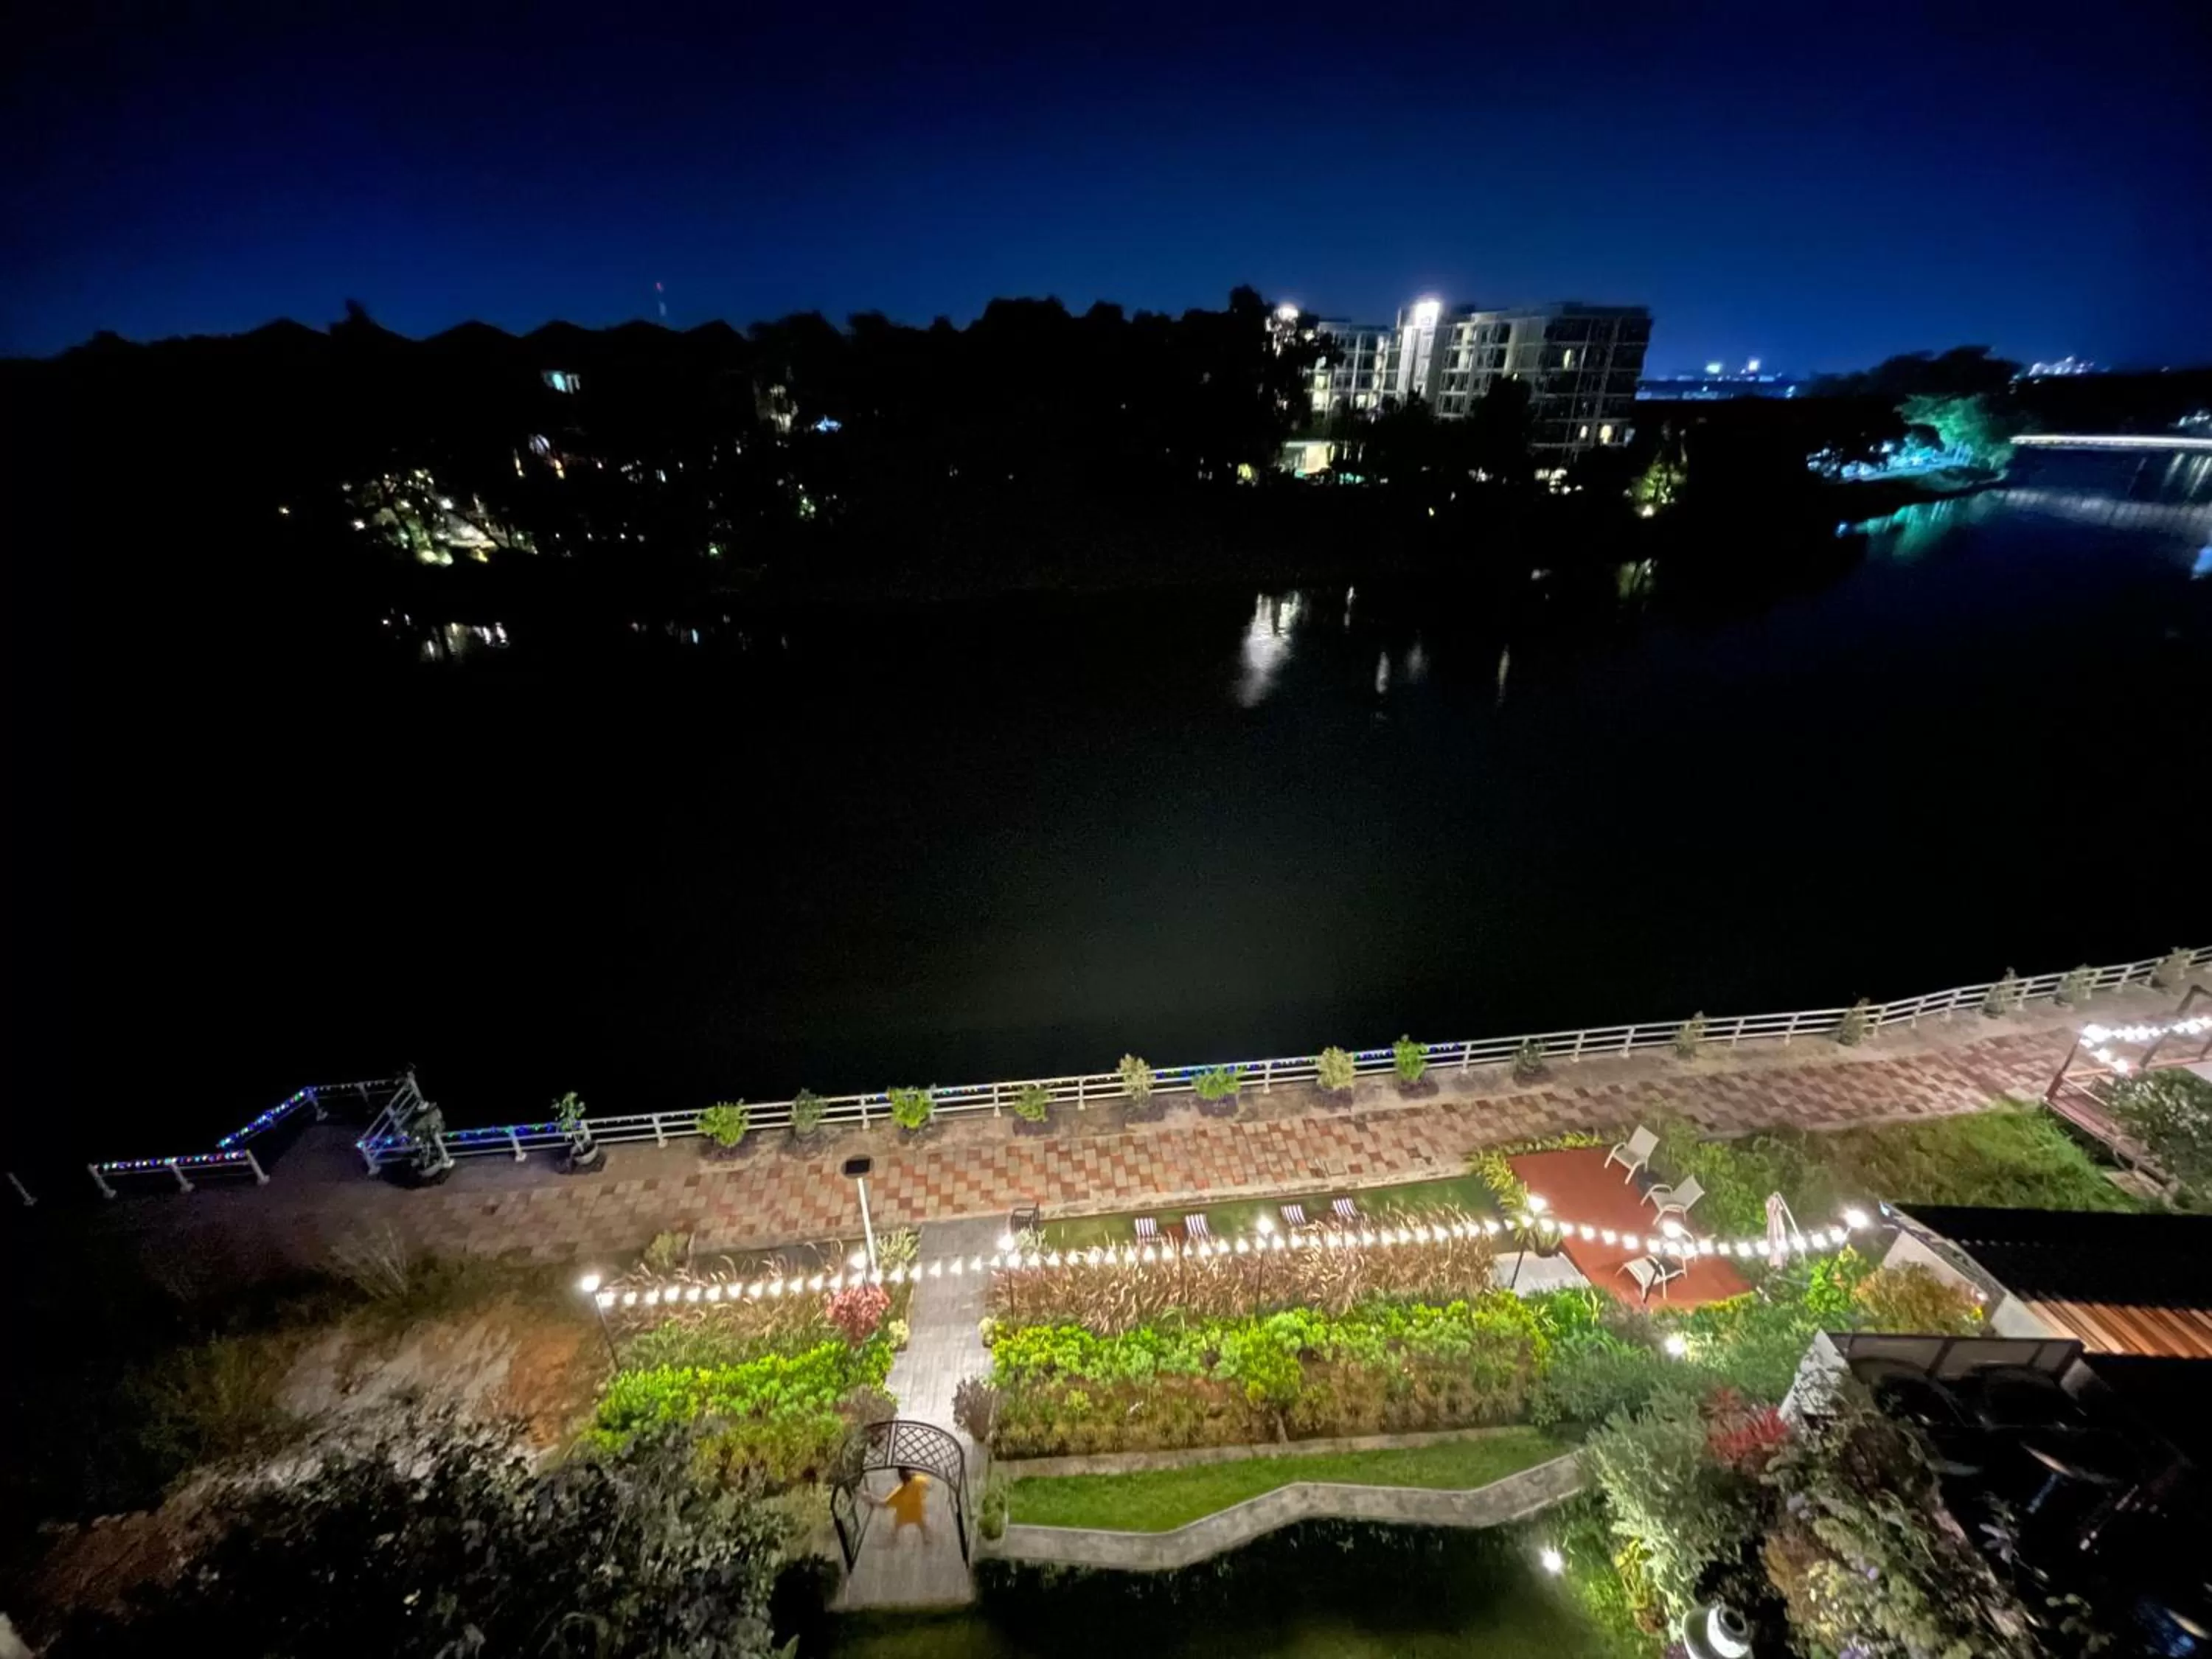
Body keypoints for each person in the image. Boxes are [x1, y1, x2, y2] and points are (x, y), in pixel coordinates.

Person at [876, 1466, 933, 1543]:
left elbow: (885, 1503)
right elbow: (928, 1486)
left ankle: (893, 1538)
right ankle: (926, 1539)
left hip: (905, 1512)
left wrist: (869, 1498)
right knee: (921, 1524)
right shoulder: (917, 1481)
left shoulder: (902, 1490)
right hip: (916, 1510)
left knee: (898, 1525)